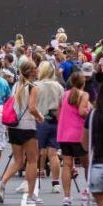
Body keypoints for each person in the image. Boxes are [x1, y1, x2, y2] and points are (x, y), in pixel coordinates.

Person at [0, 60, 43, 205]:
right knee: (33, 160)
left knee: (18, 160)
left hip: (14, 126)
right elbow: (32, 108)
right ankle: (30, 195)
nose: (37, 70)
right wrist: (40, 118)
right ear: (31, 71)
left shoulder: (16, 85)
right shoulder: (33, 87)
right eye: (35, 68)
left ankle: (2, 182)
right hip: (28, 126)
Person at [59, 72, 92, 206]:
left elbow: (60, 113)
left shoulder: (64, 95)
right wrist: (90, 111)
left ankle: (67, 197)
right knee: (87, 164)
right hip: (78, 134)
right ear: (83, 83)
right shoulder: (84, 95)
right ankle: (89, 190)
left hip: (63, 133)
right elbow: (81, 112)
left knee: (67, 164)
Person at [35, 61, 66, 193]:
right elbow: (63, 104)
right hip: (55, 121)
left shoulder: (35, 86)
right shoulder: (58, 86)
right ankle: (55, 183)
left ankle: (33, 180)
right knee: (53, 154)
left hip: (39, 120)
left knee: (35, 153)